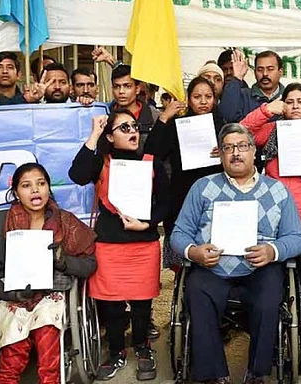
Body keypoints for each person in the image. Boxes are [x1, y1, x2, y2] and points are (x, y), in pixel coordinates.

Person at [171, 123, 301, 384]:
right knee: (196, 290)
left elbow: (298, 238)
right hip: (213, 268)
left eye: (242, 146)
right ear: (220, 154)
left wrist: (273, 250)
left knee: (269, 298)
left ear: (253, 151)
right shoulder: (202, 187)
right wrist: (194, 252)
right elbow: (178, 234)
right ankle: (214, 375)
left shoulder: (278, 190)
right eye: (228, 148)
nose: (236, 153)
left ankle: (257, 373)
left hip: (260, 268)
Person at [0, 163, 96, 384]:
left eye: (41, 183)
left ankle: (51, 379)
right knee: (14, 347)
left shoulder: (65, 221)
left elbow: (90, 265)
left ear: (48, 188)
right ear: (16, 193)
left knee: (47, 330)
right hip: (7, 294)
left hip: (50, 292)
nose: (35, 190)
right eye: (26, 185)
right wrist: (6, 293)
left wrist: (63, 261)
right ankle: (6, 379)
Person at [69, 110, 170, 381]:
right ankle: (115, 352)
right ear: (110, 137)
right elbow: (77, 174)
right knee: (112, 307)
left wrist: (148, 225)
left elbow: (166, 203)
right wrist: (94, 134)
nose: (132, 131)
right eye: (123, 128)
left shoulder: (152, 162)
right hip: (109, 245)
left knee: (141, 306)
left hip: (143, 245)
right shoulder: (102, 162)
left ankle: (142, 348)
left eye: (134, 126)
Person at [239, 83, 301, 333]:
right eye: (290, 101)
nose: (295, 106)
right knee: (273, 271)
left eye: (300, 101)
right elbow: (239, 132)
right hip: (275, 213)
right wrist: (266, 110)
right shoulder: (270, 130)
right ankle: (271, 313)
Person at [143, 77, 224, 271]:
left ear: (215, 99)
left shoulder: (224, 126)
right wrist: (164, 118)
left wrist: (225, 154)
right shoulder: (177, 124)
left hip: (215, 196)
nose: (203, 101)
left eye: (208, 96)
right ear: (188, 99)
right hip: (182, 195)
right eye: (197, 97)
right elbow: (152, 152)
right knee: (181, 258)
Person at [218, 50, 285, 123]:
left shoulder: (289, 97)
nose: (265, 73)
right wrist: (237, 77)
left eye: (270, 69)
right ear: (255, 72)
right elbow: (227, 116)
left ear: (280, 72)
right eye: (260, 70)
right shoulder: (242, 95)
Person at [110, 65, 159, 155]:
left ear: (137, 89)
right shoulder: (105, 114)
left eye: (127, 86)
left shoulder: (155, 117)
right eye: (116, 87)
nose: (121, 91)